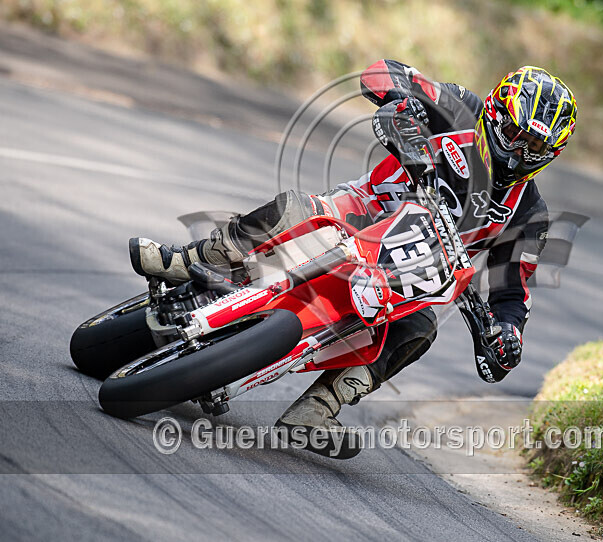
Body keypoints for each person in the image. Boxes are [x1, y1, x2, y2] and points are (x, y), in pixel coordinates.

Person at [130, 60, 577, 458]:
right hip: (361, 210)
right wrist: (404, 105)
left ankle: (317, 408)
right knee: (294, 209)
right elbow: (382, 73)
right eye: (517, 136)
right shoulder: (459, 107)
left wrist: (507, 331)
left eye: (535, 150)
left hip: (413, 268)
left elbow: (511, 287)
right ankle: (185, 259)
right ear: (497, 113)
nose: (520, 152)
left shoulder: (530, 212)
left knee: (419, 329)